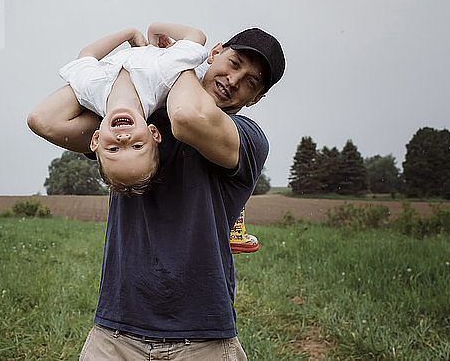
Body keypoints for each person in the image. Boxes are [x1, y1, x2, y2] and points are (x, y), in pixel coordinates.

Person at [28, 23, 285, 359]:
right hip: (117, 334)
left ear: (256, 99)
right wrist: (119, 73)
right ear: (216, 52)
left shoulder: (247, 138)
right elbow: (44, 120)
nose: (234, 80)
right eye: (234, 64)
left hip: (203, 340)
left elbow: (186, 115)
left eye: (251, 81)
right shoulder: (137, 127)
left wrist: (174, 60)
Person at [58, 22, 207, 194]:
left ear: (96, 140)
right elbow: (196, 37)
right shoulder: (162, 79)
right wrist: (155, 29)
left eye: (113, 149)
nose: (124, 139)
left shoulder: (88, 91)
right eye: (137, 146)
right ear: (154, 133)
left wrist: (128, 34)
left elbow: (86, 55)